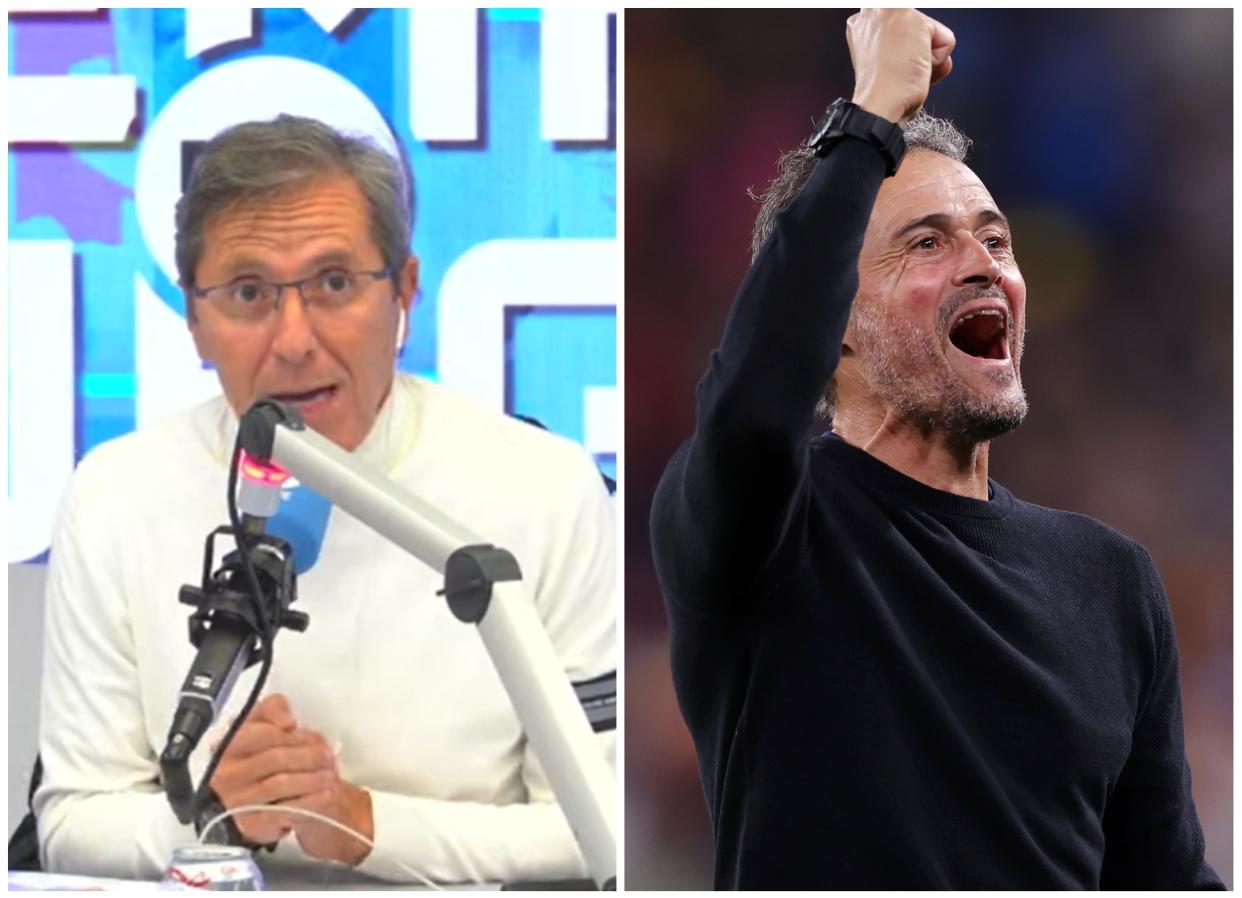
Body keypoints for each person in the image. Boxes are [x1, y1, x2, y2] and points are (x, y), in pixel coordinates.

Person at [649, 9, 1221, 890]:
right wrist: (869, 114)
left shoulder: (1112, 580)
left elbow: (1165, 877)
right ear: (832, 325)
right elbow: (754, 405)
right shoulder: (768, 530)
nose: (984, 263)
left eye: (996, 239)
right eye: (927, 242)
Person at [34, 115, 615, 884]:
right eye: (248, 293)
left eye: (334, 283)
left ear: (404, 292)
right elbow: (70, 823)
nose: (295, 338)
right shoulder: (117, 491)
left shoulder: (542, 487)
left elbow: (601, 829)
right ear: (194, 321)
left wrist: (363, 821)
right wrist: (213, 814)